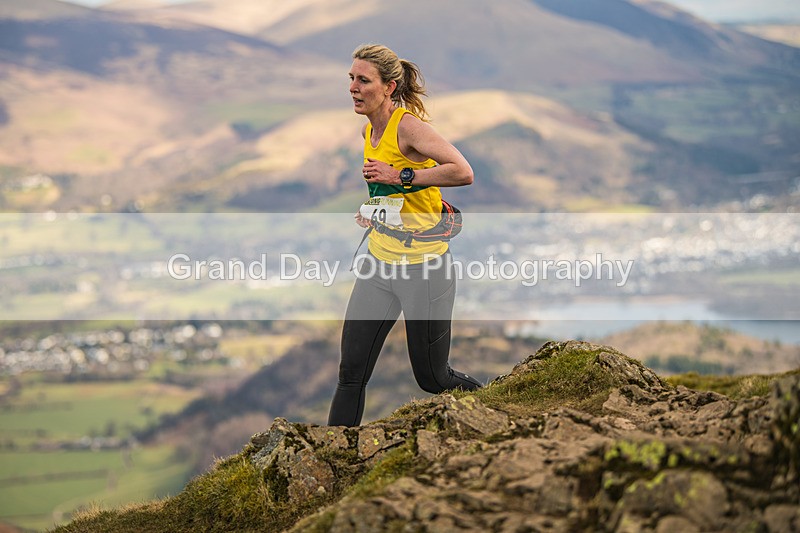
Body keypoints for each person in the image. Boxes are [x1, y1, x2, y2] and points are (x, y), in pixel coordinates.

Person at [327, 44, 482, 427]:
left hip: (424, 270)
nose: (353, 87)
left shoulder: (409, 127)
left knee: (433, 378)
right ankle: (331, 469)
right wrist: (374, 213)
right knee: (351, 375)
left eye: (363, 80)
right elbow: (393, 197)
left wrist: (402, 176)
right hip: (379, 266)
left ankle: (495, 404)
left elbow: (462, 171)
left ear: (388, 86)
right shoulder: (369, 130)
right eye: (351, 78)